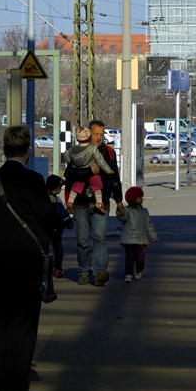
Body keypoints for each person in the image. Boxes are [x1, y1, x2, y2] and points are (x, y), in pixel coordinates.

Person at [0, 124, 60, 391]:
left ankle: (0, 384)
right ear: (28, 150)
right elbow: (47, 217)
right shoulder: (33, 181)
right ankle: (16, 385)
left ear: (4, 150)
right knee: (23, 325)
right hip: (26, 262)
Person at [65, 119, 123, 286]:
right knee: (83, 240)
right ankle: (83, 272)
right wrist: (89, 171)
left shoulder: (109, 152)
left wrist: (119, 201)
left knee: (99, 238)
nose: (99, 137)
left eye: (101, 134)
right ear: (89, 134)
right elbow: (69, 176)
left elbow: (114, 178)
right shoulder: (77, 151)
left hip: (101, 202)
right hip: (80, 202)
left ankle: (99, 273)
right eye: (96, 134)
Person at [64, 126, 114, 213]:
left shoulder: (72, 150)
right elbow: (101, 161)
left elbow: (68, 161)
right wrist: (109, 170)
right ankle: (99, 203)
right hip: (92, 172)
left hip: (79, 173)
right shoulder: (92, 149)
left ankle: (70, 202)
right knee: (97, 186)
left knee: (76, 187)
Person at [116, 186, 157, 282]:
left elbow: (148, 225)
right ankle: (128, 275)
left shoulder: (144, 211)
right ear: (134, 199)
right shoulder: (127, 211)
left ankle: (139, 269)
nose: (142, 199)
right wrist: (120, 212)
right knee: (130, 257)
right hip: (129, 240)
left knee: (140, 259)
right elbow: (122, 217)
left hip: (141, 240)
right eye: (140, 197)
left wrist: (152, 236)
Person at [47, 180, 75, 280]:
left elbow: (63, 213)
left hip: (58, 231)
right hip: (49, 231)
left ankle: (58, 268)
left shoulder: (58, 199)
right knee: (49, 251)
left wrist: (68, 221)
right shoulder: (47, 199)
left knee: (59, 251)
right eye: (59, 188)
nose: (60, 189)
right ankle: (48, 268)